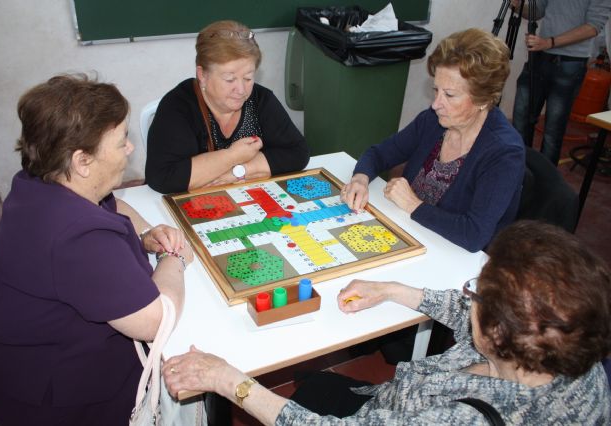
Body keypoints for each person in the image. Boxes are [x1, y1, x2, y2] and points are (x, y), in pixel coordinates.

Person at [161, 220, 611, 424]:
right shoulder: (564, 347)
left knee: (303, 393)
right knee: (319, 385)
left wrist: (231, 381)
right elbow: (466, 313)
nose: (466, 296)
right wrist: (394, 290)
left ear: (497, 333)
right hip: (387, 400)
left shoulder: (460, 421)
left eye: (476, 292)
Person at [0, 74, 194, 425]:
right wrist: (176, 257)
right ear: (82, 161)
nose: (130, 148)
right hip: (57, 405)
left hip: (15, 367)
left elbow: (110, 204)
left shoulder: (43, 180)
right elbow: (156, 320)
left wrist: (147, 231)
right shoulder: (76, 237)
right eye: (122, 140)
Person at [341, 28, 525, 253]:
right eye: (436, 90)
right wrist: (360, 179)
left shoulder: (504, 152)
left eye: (449, 95)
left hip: (455, 259)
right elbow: (378, 154)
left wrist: (412, 204)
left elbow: (474, 235)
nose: (436, 104)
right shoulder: (433, 120)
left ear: (483, 99)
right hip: (409, 234)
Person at [145, 20, 310, 194]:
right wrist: (233, 156)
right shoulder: (178, 107)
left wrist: (237, 172)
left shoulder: (261, 100)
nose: (241, 90)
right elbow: (162, 177)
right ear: (202, 75)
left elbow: (298, 153)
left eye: (248, 78)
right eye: (229, 79)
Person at [511, 0, 611, 165]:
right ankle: (517, 173)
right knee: (520, 121)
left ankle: (543, 184)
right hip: (540, 57)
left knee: (552, 132)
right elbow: (537, 12)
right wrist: (515, 5)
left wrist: (549, 42)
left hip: (570, 63)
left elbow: (593, 27)